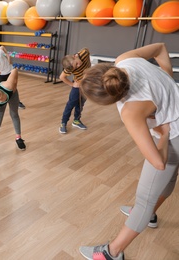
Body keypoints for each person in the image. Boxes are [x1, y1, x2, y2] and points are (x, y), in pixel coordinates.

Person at [78, 43, 179, 260]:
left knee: (144, 198)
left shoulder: (131, 110)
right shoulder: (124, 59)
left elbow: (158, 162)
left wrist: (163, 134)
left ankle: (111, 253)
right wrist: (167, 80)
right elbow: (160, 47)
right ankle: (149, 214)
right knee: (168, 179)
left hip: (175, 133)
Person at [58, 47, 90, 134]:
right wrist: (73, 85)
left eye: (77, 64)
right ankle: (63, 123)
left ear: (75, 57)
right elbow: (62, 77)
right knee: (71, 104)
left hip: (86, 84)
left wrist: (78, 56)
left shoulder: (83, 54)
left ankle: (76, 120)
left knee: (81, 103)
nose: (78, 66)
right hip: (77, 86)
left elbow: (86, 49)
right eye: (76, 67)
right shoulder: (69, 68)